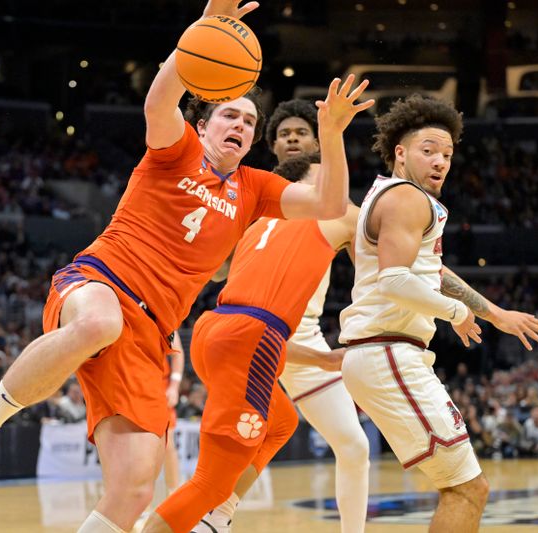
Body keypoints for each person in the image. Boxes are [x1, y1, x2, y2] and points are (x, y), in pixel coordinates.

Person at [0, 1, 369, 530]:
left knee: (135, 488)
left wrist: (334, 132)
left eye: (250, 122)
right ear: (202, 125)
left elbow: (330, 204)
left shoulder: (255, 189)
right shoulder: (174, 148)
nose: (242, 125)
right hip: (99, 281)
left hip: (152, 334)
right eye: (230, 114)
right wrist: (205, 27)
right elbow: (162, 94)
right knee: (99, 322)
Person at [338, 94, 538, 532]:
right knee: (468, 489)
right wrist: (456, 312)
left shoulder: (398, 197)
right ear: (400, 152)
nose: (440, 161)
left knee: (465, 487)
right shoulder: (406, 199)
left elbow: (432, 271)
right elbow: (394, 280)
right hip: (387, 351)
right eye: (428, 150)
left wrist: (491, 312)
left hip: (385, 352)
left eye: (447, 154)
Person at [142, 148, 373, 533]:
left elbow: (258, 328)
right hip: (248, 338)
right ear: (306, 184)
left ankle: (218, 516)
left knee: (281, 421)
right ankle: (207, 514)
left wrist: (324, 361)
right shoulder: (330, 212)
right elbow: (386, 229)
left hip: (216, 330)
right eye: (326, 177)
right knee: (206, 483)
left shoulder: (258, 222)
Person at [194, 99, 370, 533]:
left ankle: (216, 512)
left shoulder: (339, 205)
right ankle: (212, 514)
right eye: (284, 134)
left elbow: (391, 254)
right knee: (251, 437)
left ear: (319, 140)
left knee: (352, 445)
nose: (292, 139)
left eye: (302, 132)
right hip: (246, 326)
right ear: (272, 146)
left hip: (299, 336)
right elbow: (217, 269)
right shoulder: (249, 193)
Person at [163, 331, 185, 495]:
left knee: (167, 444)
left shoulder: (160, 316)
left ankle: (174, 494)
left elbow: (177, 353)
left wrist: (174, 386)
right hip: (130, 387)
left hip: (159, 388)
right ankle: (137, 505)